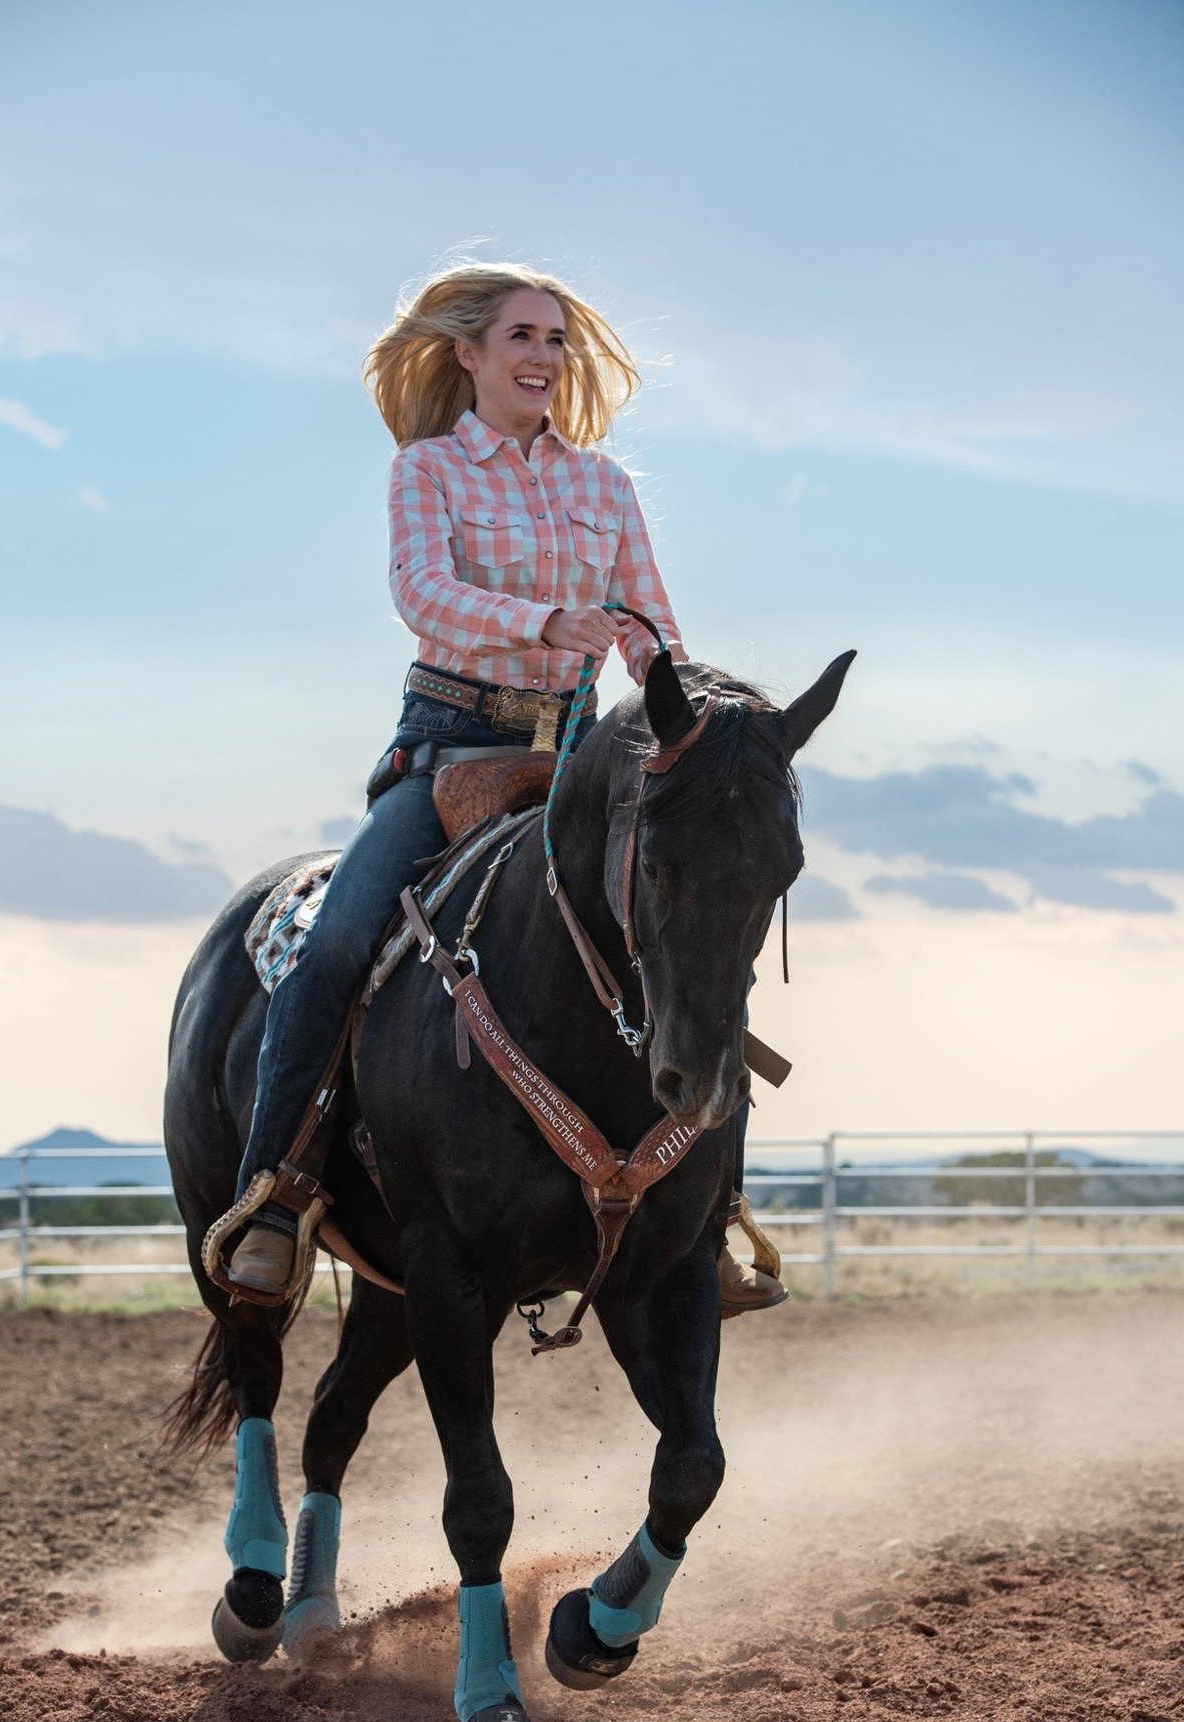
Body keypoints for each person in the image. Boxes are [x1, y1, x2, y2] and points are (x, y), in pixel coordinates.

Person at [223, 261, 782, 1312]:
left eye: (556, 339)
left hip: (576, 760)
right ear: (468, 353)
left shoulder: (603, 487)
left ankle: (711, 1221)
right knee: (337, 943)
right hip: (449, 748)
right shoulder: (426, 469)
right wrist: (540, 623)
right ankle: (275, 1193)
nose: (542, 356)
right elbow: (418, 591)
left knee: (695, 941)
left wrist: (684, 706)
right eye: (522, 336)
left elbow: (651, 627)